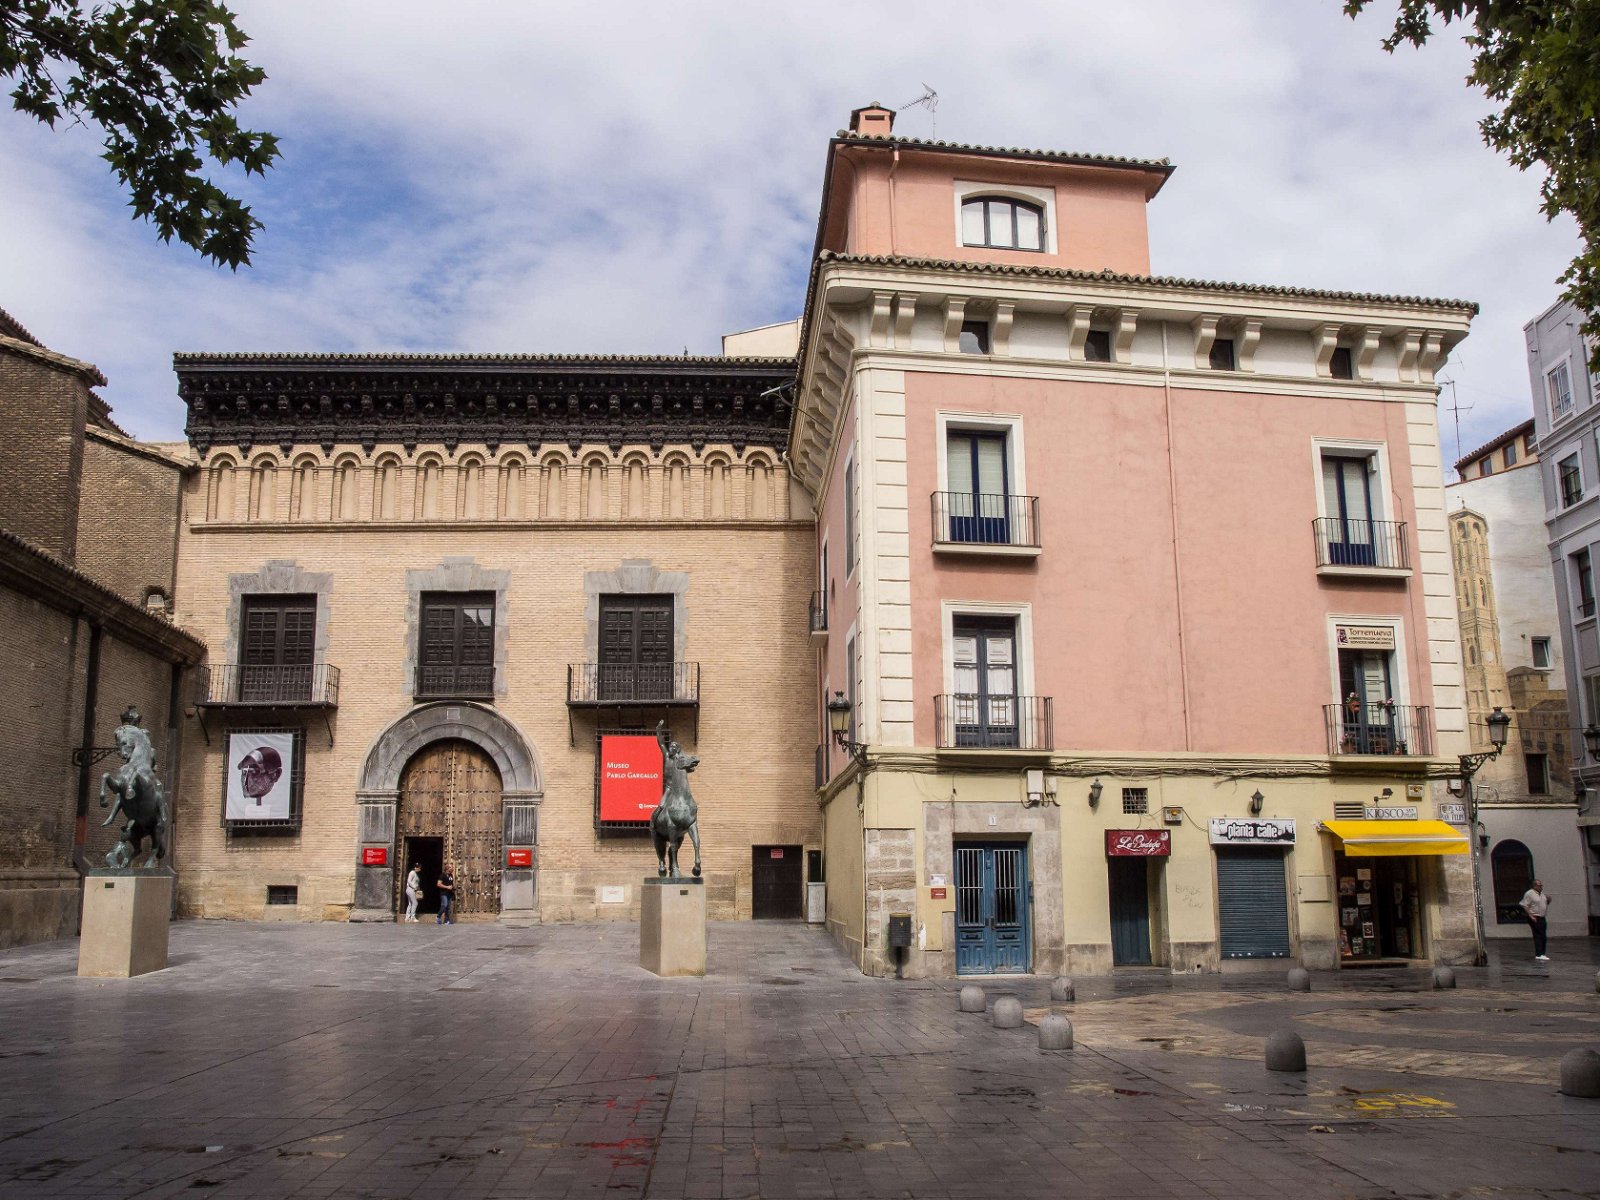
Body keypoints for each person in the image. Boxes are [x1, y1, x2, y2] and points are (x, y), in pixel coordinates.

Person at [1519, 879, 1550, 961]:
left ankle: (1542, 953)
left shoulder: (1542, 894)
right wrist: (1530, 916)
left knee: (1543, 936)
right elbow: (1524, 905)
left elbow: (1543, 904)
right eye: (1539, 885)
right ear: (1535, 886)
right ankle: (1539, 954)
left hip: (1542, 917)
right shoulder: (1530, 893)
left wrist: (1548, 900)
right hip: (1535, 917)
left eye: (1541, 885)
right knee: (1538, 935)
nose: (1541, 887)